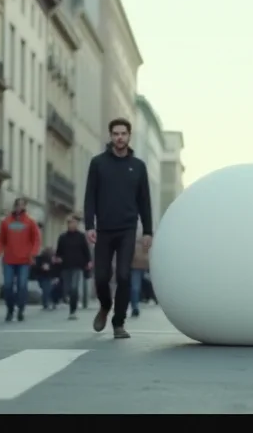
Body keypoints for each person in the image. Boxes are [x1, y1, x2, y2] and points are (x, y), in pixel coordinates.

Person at [82, 118, 154, 340]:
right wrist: (89, 226)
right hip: (104, 229)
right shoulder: (98, 163)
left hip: (127, 229)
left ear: (129, 136)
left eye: (123, 133)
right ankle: (105, 306)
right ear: (110, 136)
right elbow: (90, 197)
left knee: (124, 275)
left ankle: (118, 323)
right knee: (102, 277)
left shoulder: (139, 167)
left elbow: (144, 201)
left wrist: (148, 231)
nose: (119, 137)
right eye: (115, 134)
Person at [0, 198, 41, 322]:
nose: (19, 207)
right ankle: (10, 309)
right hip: (9, 260)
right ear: (14, 206)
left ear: (25, 207)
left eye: (22, 205)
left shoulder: (30, 222)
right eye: (18, 205)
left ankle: (21, 309)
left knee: (22, 285)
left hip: (24, 260)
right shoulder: (6, 222)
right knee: (8, 286)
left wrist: (33, 253)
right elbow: (1, 239)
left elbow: (36, 239)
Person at [54, 216, 92, 320]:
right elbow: (58, 251)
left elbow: (86, 250)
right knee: (67, 289)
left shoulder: (81, 236)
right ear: (67, 224)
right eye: (70, 223)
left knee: (74, 288)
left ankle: (73, 311)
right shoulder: (62, 237)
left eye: (74, 223)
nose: (72, 225)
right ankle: (69, 301)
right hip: (66, 266)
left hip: (78, 266)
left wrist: (88, 261)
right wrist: (57, 259)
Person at [130, 233, 151, 318]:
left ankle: (135, 306)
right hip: (136, 265)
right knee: (135, 287)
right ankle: (135, 306)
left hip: (141, 264)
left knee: (135, 287)